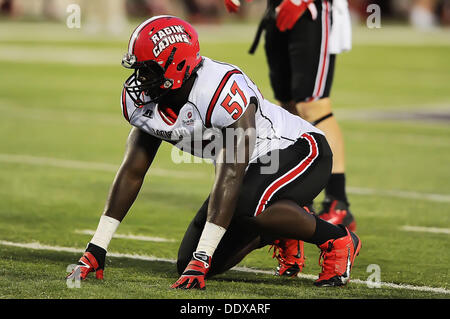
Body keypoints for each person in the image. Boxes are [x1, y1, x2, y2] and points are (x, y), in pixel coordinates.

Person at [66, 15, 361, 289]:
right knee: (187, 262)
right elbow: (132, 171)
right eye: (138, 69)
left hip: (300, 150)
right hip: (250, 175)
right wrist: (97, 247)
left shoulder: (220, 89)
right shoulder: (149, 100)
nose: (140, 79)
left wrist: (203, 255)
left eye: (148, 70)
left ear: (177, 67)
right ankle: (283, 227)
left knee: (242, 208)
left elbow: (231, 172)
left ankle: (336, 239)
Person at [225, 0, 356, 272]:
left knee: (313, 106)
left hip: (312, 9)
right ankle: (298, 207)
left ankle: (338, 201)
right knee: (287, 110)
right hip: (276, 8)